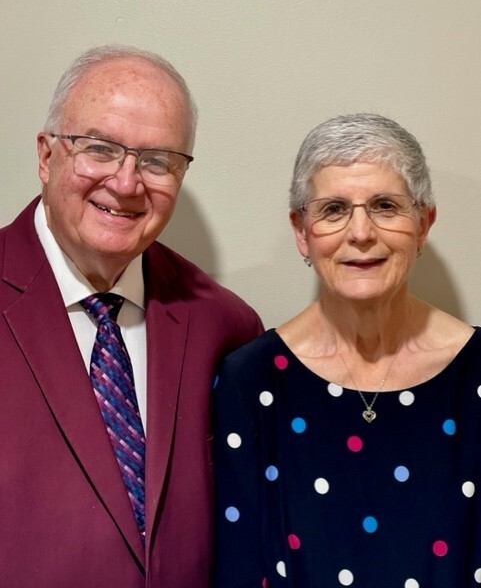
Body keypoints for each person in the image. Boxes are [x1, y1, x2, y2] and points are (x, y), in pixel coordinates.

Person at [0, 45, 262, 588]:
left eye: (157, 161)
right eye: (99, 149)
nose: (126, 183)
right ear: (46, 156)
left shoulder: (226, 327)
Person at [213, 113, 481, 587]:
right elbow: (239, 567)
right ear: (302, 231)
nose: (360, 233)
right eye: (334, 209)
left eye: (385, 206)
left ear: (423, 224)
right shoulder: (250, 381)